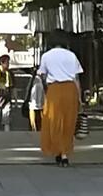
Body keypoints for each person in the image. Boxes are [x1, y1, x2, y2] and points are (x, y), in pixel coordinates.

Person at [30, 33, 84, 164]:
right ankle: (65, 153)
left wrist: (46, 87)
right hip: (70, 89)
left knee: (54, 122)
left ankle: (57, 150)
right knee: (68, 122)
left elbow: (42, 75)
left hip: (54, 90)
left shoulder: (46, 56)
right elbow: (76, 79)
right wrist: (79, 97)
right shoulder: (71, 55)